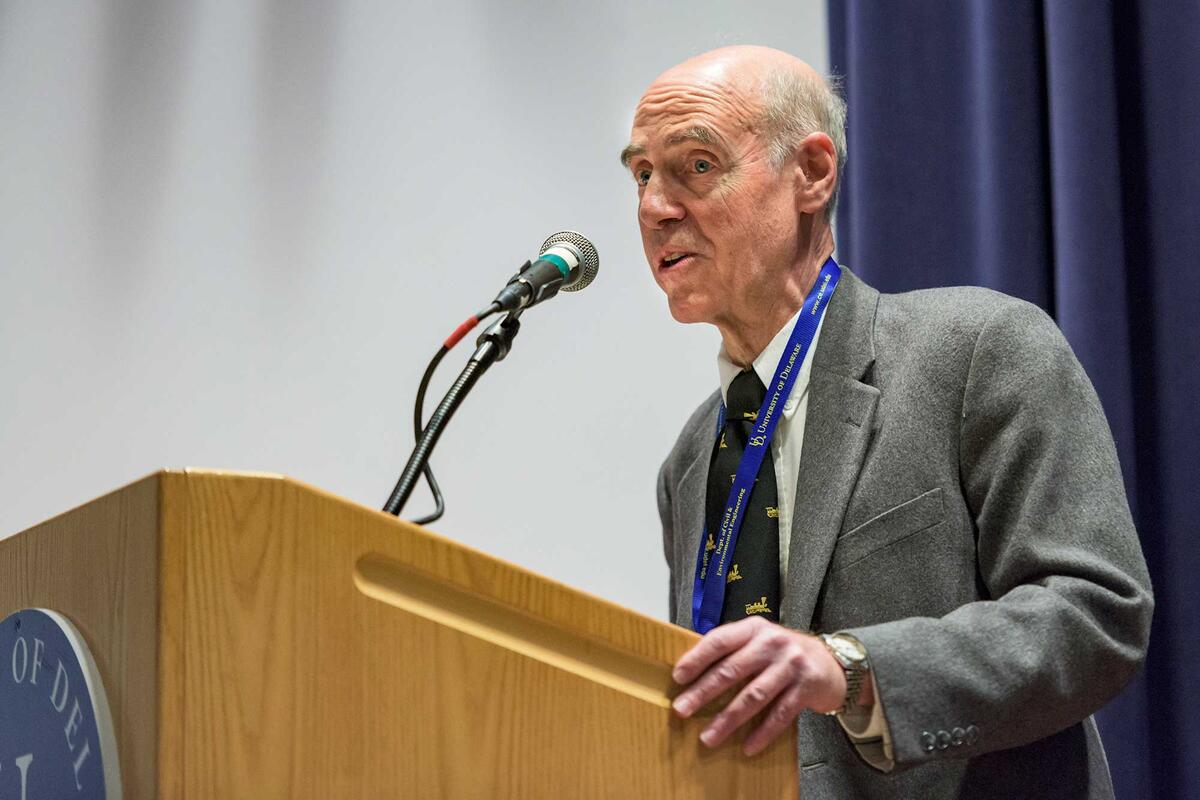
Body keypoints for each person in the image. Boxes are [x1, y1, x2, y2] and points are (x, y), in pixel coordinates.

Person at [623, 45, 1153, 799]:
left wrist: (849, 668)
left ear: (811, 173)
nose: (654, 208)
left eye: (696, 166)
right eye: (641, 175)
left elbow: (1095, 615)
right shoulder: (690, 459)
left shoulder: (976, 350)